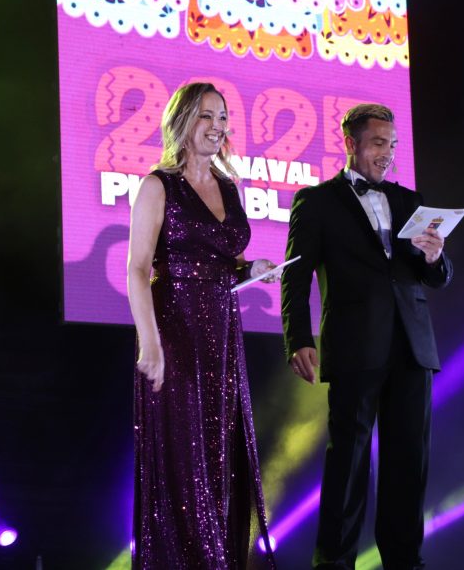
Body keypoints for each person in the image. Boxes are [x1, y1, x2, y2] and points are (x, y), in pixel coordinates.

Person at [280, 104, 452, 570]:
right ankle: (334, 563)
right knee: (349, 462)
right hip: (355, 346)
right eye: (378, 143)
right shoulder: (316, 201)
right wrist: (297, 338)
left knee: (408, 463)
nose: (387, 153)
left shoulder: (411, 201)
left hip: (412, 347)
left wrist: (434, 257)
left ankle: (405, 562)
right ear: (350, 143)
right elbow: (294, 277)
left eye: (392, 145)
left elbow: (436, 277)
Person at [127, 82, 278, 569]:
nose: (218, 127)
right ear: (183, 122)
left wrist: (250, 269)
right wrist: (150, 343)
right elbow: (138, 269)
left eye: (223, 117)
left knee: (220, 458)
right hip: (174, 332)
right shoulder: (159, 186)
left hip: (223, 334)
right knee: (183, 459)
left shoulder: (229, 187)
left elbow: (221, 260)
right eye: (206, 116)